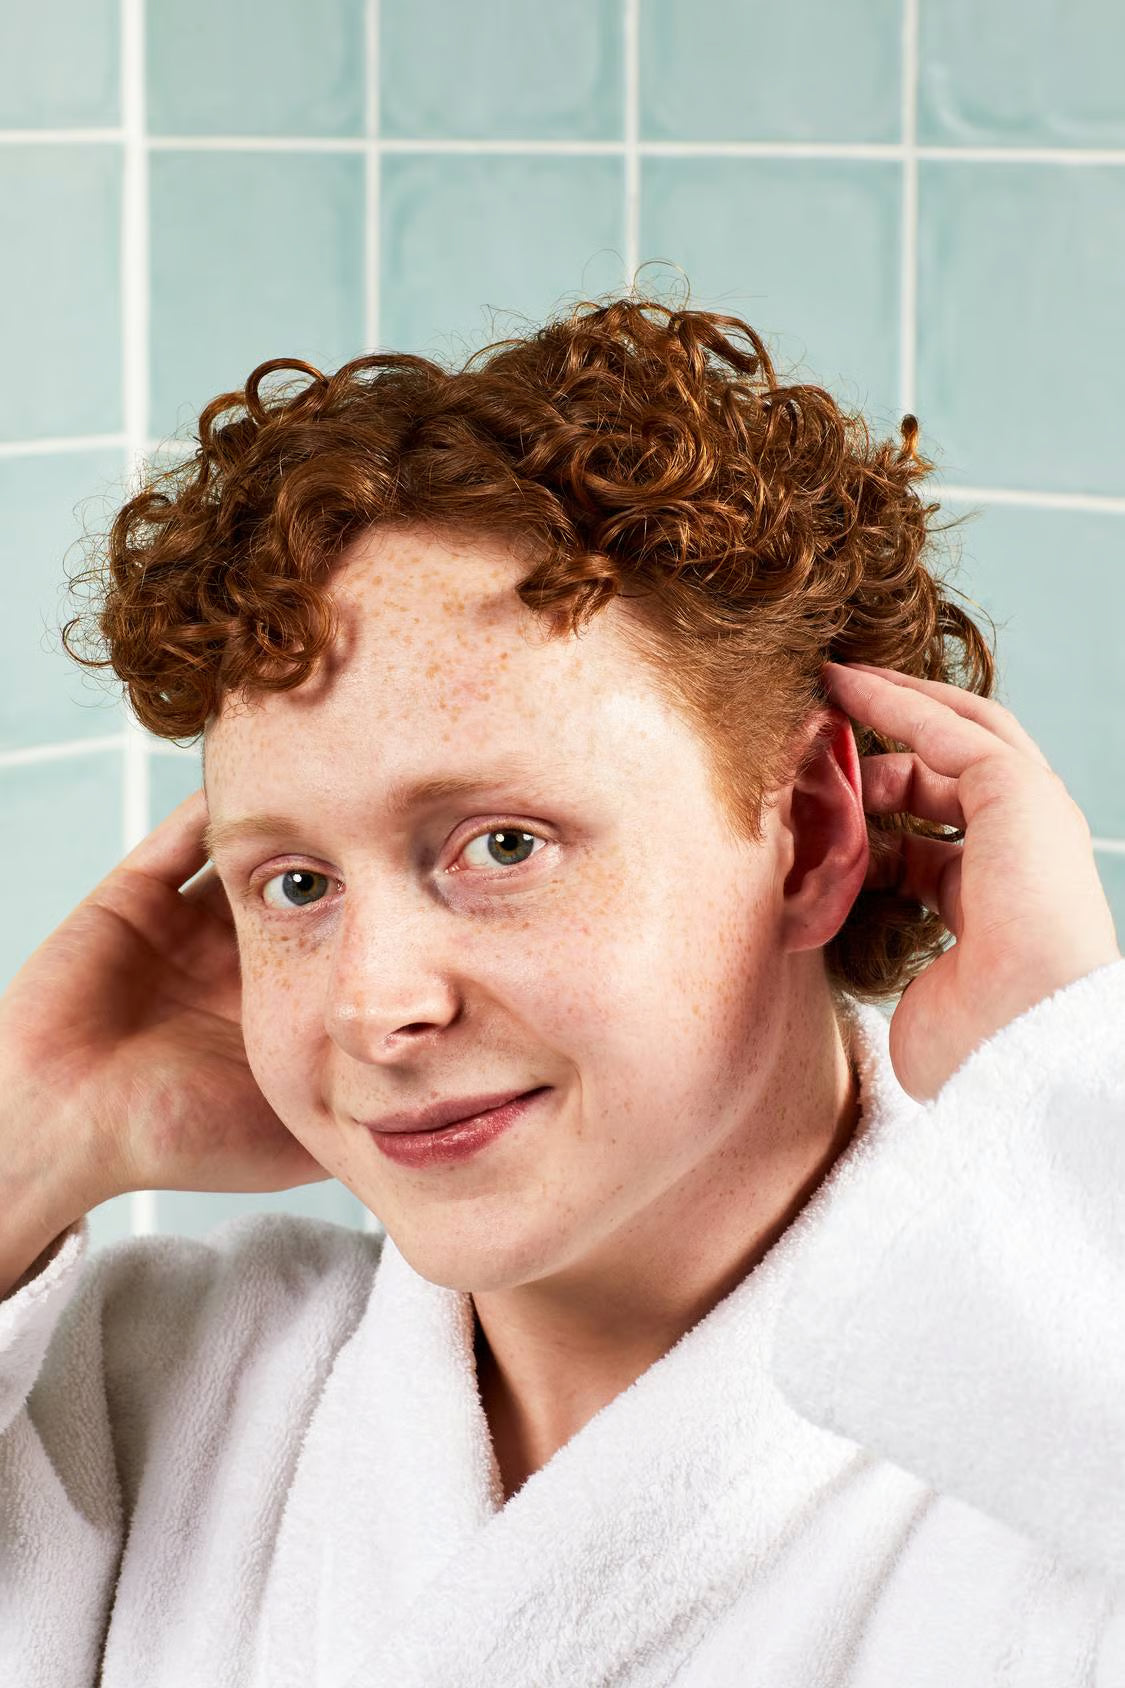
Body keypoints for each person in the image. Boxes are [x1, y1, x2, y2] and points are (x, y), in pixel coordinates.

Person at [1, 293, 1121, 1686]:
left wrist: (1059, 1084)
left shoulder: (1059, 1471)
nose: (373, 1006)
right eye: (295, 883)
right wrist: (26, 1137)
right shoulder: (150, 1400)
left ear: (811, 835)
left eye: (503, 846)